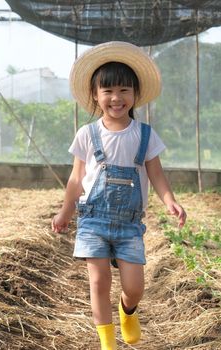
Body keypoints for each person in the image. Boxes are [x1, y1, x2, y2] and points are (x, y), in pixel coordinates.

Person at [52, 41, 187, 350]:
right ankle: (107, 342)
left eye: (124, 90)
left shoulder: (145, 135)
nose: (116, 98)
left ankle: (129, 311)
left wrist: (170, 201)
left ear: (135, 95)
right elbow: (76, 178)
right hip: (93, 220)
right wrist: (65, 212)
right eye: (108, 91)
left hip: (129, 224)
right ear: (96, 96)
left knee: (134, 286)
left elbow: (156, 174)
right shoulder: (87, 134)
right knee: (99, 281)